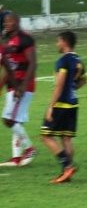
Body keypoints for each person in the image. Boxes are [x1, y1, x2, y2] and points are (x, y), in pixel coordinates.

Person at [41, 31, 87, 183]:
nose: (57, 44)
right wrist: (72, 89)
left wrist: (50, 106)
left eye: (58, 41)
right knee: (66, 138)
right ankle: (66, 174)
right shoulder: (78, 60)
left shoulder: (63, 61)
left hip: (61, 104)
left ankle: (67, 165)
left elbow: (59, 84)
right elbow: (83, 80)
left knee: (45, 136)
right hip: (73, 103)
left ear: (64, 42)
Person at [0, 13, 37, 167]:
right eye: (5, 21)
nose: (7, 23)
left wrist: (22, 86)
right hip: (13, 85)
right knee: (16, 121)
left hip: (22, 85)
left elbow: (33, 63)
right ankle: (16, 158)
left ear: (18, 22)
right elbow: (9, 67)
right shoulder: (8, 42)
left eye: (10, 21)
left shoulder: (25, 39)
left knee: (9, 120)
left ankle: (29, 148)